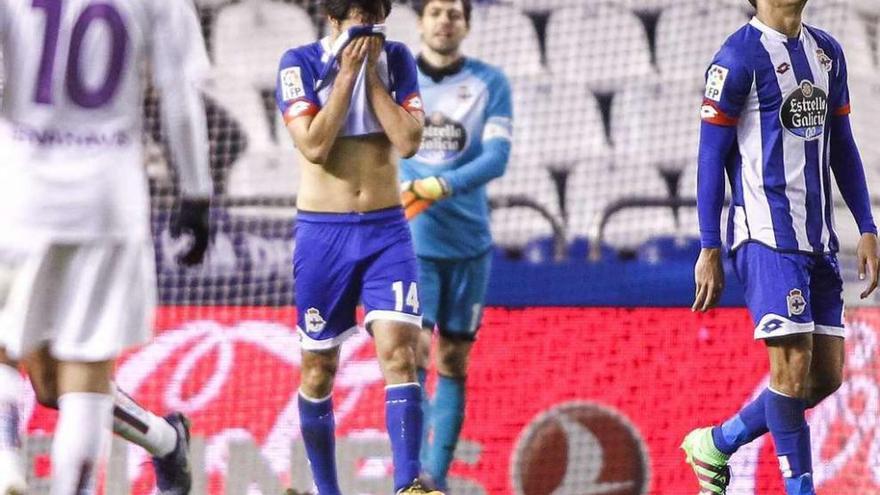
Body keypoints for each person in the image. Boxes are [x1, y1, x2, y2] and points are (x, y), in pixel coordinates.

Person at [0, 0, 213, 493]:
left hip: (22, 196)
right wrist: (197, 195)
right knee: (73, 385)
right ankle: (163, 440)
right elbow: (181, 96)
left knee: (44, 375)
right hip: (106, 202)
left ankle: (9, 470)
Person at [684, 1, 879, 494]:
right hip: (766, 237)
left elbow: (843, 145)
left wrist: (867, 226)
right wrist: (710, 245)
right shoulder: (736, 58)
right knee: (790, 371)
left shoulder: (827, 52)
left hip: (818, 240)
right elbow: (711, 158)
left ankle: (718, 442)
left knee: (824, 378)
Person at [274, 0, 441, 493]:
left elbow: (409, 142)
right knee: (319, 366)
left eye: (375, 15)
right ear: (333, 19)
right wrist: (346, 76)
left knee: (399, 352)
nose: (368, 26)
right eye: (357, 17)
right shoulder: (298, 62)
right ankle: (327, 489)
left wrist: (370, 77)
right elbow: (314, 146)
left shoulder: (399, 60)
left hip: (387, 229)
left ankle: (408, 484)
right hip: (323, 233)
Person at [398, 0, 512, 490]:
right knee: (414, 353)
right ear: (421, 20)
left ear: (466, 24)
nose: (445, 20)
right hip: (415, 241)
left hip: (469, 243)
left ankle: (436, 480)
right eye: (436, 11)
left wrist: (443, 185)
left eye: (455, 13)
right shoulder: (399, 80)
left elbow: (497, 158)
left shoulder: (491, 82)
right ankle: (411, 475)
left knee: (453, 360)